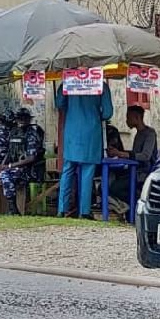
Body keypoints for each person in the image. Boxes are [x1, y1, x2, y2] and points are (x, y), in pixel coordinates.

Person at [56, 82, 113, 219]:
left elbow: (59, 104)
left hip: (71, 132)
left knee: (67, 170)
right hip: (91, 133)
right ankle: (84, 211)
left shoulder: (68, 82)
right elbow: (107, 113)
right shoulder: (100, 84)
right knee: (87, 173)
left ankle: (61, 209)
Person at [106, 106, 158, 213]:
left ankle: (138, 202)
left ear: (137, 117)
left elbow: (145, 156)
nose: (126, 121)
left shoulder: (150, 134)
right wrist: (119, 153)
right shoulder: (138, 134)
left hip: (142, 173)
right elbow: (134, 154)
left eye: (128, 117)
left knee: (114, 188)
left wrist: (120, 153)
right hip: (133, 170)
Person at [0, 108, 44, 215]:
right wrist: (2, 166)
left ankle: (13, 208)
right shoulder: (14, 132)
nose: (21, 121)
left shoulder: (31, 135)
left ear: (29, 120)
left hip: (30, 170)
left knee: (5, 174)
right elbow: (10, 152)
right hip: (15, 168)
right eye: (19, 118)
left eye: (24, 118)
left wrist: (9, 166)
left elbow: (31, 158)